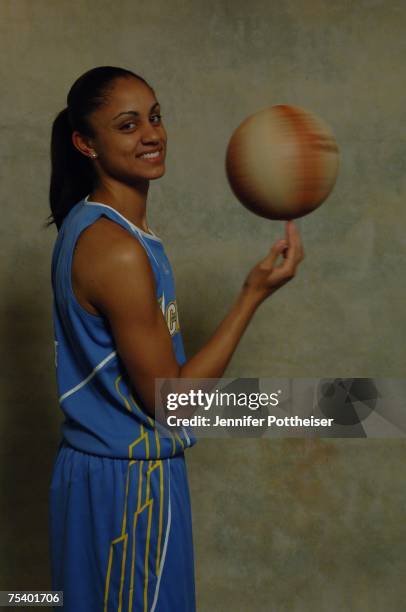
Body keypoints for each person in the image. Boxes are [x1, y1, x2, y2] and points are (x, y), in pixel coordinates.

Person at [46, 66, 304, 612]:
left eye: (155, 117)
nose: (151, 134)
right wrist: (251, 295)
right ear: (84, 142)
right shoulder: (116, 251)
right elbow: (174, 404)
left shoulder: (91, 226)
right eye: (127, 124)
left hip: (92, 471)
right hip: (129, 486)